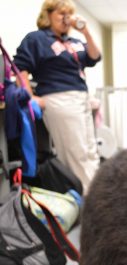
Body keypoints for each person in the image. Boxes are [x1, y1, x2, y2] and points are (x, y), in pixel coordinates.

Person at [14, 0, 101, 194]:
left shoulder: (74, 42)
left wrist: (85, 31)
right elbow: (20, 67)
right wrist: (29, 97)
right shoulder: (37, 39)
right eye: (62, 13)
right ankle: (89, 201)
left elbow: (95, 56)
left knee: (90, 151)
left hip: (81, 97)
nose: (66, 18)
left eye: (69, 14)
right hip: (59, 98)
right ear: (48, 14)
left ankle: (94, 195)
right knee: (75, 153)